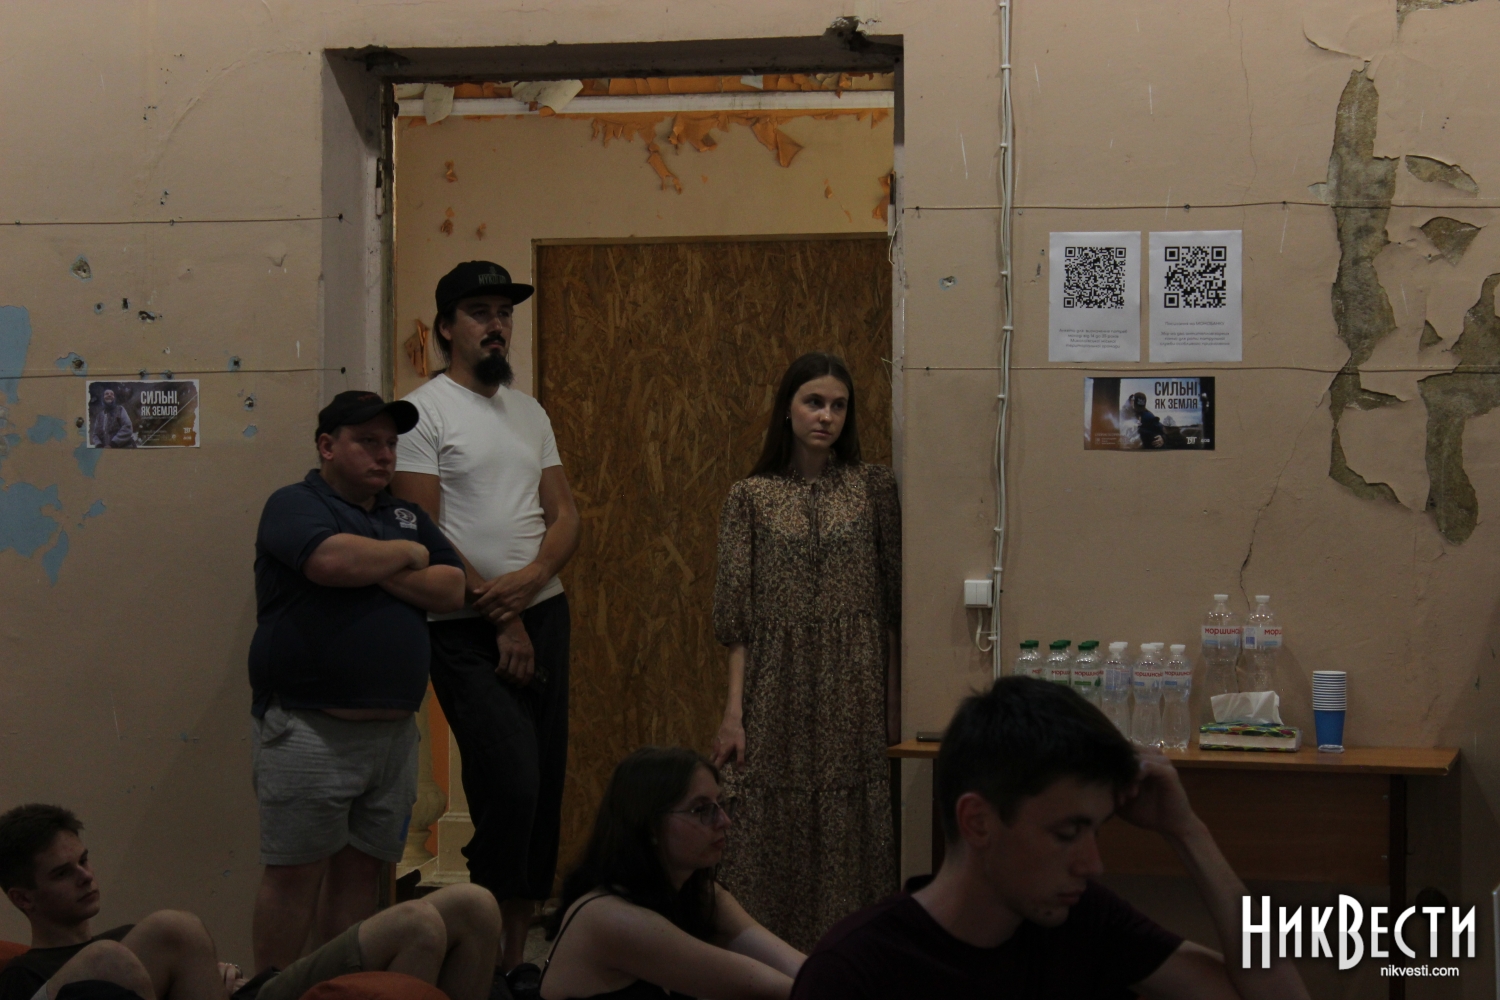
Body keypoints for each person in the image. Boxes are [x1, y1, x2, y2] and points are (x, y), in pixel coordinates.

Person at [787, 678, 1312, 1000]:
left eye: (1096, 830)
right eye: (1067, 833)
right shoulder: (857, 972)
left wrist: (1188, 832)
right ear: (978, 822)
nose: (1092, 864)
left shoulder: (1079, 922)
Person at [391, 261, 581, 971]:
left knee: (544, 789)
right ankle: (479, 951)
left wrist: (530, 582)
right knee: (511, 781)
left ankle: (513, 961)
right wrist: (501, 614)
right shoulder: (423, 412)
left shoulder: (530, 412)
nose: (497, 325)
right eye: (480, 312)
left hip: (544, 615)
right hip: (466, 629)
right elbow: (423, 530)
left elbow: (566, 515)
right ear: (447, 327)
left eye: (504, 312)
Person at [249, 391, 466, 973]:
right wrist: (407, 556)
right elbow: (329, 563)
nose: (385, 454)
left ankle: (340, 989)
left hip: (392, 738)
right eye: (368, 442)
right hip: (309, 729)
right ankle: (269, 990)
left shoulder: (406, 515)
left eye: (391, 443)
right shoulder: (294, 504)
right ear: (327, 446)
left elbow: (451, 588)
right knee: (295, 876)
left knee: (362, 877)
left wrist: (379, 563)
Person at [709, 352, 900, 951]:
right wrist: (733, 714)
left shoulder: (873, 489)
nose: (826, 416)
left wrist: (894, 700)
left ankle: (848, 957)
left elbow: (895, 607)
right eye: (814, 402)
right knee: (765, 807)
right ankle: (770, 959)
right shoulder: (751, 497)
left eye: (838, 406)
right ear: (787, 409)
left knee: (851, 809)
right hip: (776, 681)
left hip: (854, 679)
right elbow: (736, 621)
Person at [0, 804, 501, 1000]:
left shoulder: (127, 938)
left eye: (84, 861)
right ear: (23, 898)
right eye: (64, 873)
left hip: (261, 993)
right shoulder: (25, 976)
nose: (86, 877)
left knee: (472, 905)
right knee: (418, 927)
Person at [538, 748, 804, 1000]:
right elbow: (766, 985)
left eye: (722, 804)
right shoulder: (610, 918)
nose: (725, 821)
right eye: (701, 809)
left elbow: (798, 969)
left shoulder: (699, 892)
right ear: (651, 826)